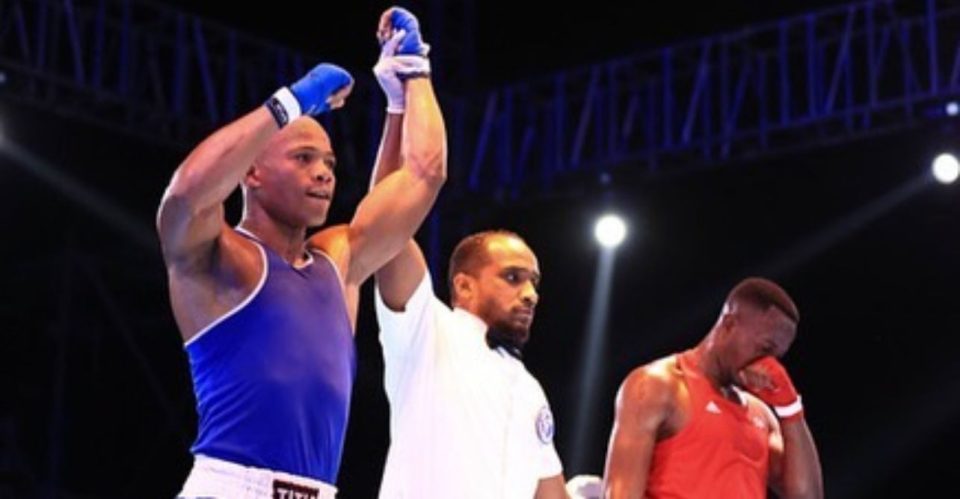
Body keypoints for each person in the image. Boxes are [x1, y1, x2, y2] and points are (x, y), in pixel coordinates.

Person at [156, 5, 446, 496]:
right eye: (303, 158)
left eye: (329, 162)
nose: (324, 173)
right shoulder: (218, 255)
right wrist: (289, 104)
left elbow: (423, 175)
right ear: (252, 171)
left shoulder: (339, 261)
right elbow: (185, 195)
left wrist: (412, 78)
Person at [367, 12, 567, 495]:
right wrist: (401, 103)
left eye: (534, 282)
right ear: (463, 285)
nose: (531, 294)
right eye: (513, 277)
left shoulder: (529, 388)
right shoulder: (427, 332)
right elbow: (384, 221)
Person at [601, 278, 823, 499]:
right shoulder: (657, 386)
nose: (769, 365)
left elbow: (807, 497)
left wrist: (790, 408)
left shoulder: (761, 415)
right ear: (729, 324)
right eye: (764, 349)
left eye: (777, 357)